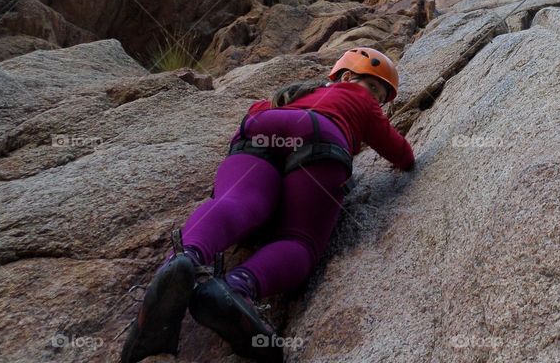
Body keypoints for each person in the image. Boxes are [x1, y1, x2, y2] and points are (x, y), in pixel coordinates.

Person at [120, 47, 415, 363]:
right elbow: (401, 153)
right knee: (300, 241)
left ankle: (183, 259)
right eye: (375, 89)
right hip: (321, 137)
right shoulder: (361, 102)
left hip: (261, 127)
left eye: (380, 97)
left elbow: (255, 112)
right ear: (346, 77)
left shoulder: (294, 94)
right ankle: (236, 288)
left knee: (237, 202)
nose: (377, 100)